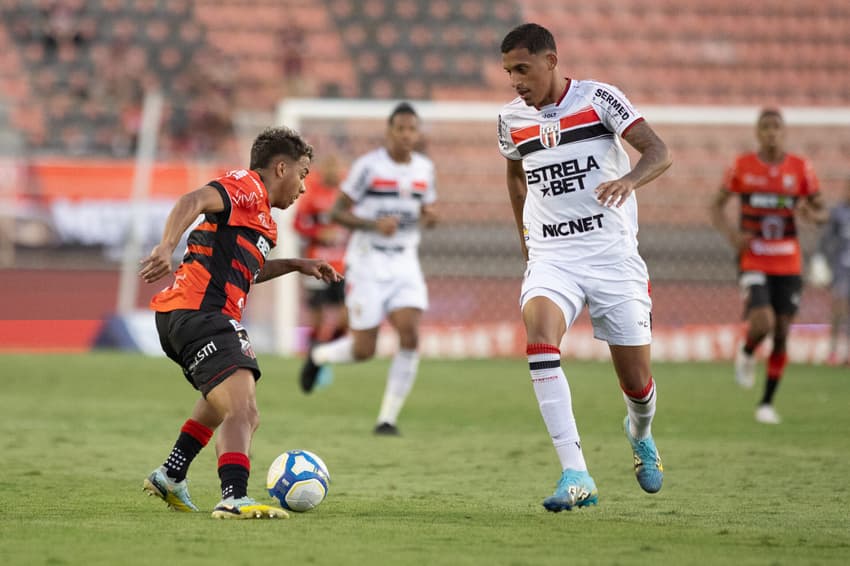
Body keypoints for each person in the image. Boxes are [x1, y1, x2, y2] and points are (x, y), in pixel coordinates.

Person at [498, 23, 672, 512]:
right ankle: (576, 472)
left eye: (523, 69)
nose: (515, 80)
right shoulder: (510, 119)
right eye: (509, 71)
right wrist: (526, 243)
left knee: (637, 384)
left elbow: (659, 152)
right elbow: (516, 177)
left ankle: (639, 433)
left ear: (551, 61)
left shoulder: (599, 99)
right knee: (538, 331)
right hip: (553, 256)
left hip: (612, 256)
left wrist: (630, 180)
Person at [139, 127, 342, 519]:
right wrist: (166, 246)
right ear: (280, 168)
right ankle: (234, 496)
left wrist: (299, 265)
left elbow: (246, 269)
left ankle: (170, 474)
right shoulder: (247, 186)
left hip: (186, 317)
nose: (302, 188)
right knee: (244, 412)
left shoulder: (263, 219)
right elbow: (193, 199)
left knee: (220, 404)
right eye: (302, 174)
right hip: (202, 314)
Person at [299, 102, 437, 436]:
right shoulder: (367, 167)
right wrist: (374, 226)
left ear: (417, 133)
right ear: (389, 132)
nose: (406, 135)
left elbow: (426, 209)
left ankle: (387, 419)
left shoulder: (424, 168)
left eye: (411, 129)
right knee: (364, 350)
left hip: (404, 259)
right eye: (400, 129)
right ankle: (319, 356)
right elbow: (336, 213)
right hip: (368, 260)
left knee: (410, 332)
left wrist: (430, 218)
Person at [710, 108, 825, 424]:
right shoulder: (742, 166)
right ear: (758, 133)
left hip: (788, 261)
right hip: (754, 257)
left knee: (784, 333)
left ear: (783, 132)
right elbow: (716, 205)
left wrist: (811, 215)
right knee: (763, 323)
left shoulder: (800, 168)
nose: (771, 132)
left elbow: (821, 210)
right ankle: (747, 352)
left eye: (776, 127)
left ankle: (766, 403)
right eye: (765, 127)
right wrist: (732, 234)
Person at [293, 154, 349, 347]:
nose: (333, 171)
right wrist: (319, 233)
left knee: (345, 317)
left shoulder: (347, 195)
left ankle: (330, 352)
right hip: (317, 263)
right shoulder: (312, 192)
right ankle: (314, 359)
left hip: (342, 264)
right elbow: (297, 223)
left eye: (337, 166)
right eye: (329, 166)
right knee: (317, 316)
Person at [812, 177, 850, 365]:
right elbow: (826, 240)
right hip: (842, 269)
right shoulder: (838, 213)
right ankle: (834, 350)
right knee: (839, 309)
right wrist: (821, 262)